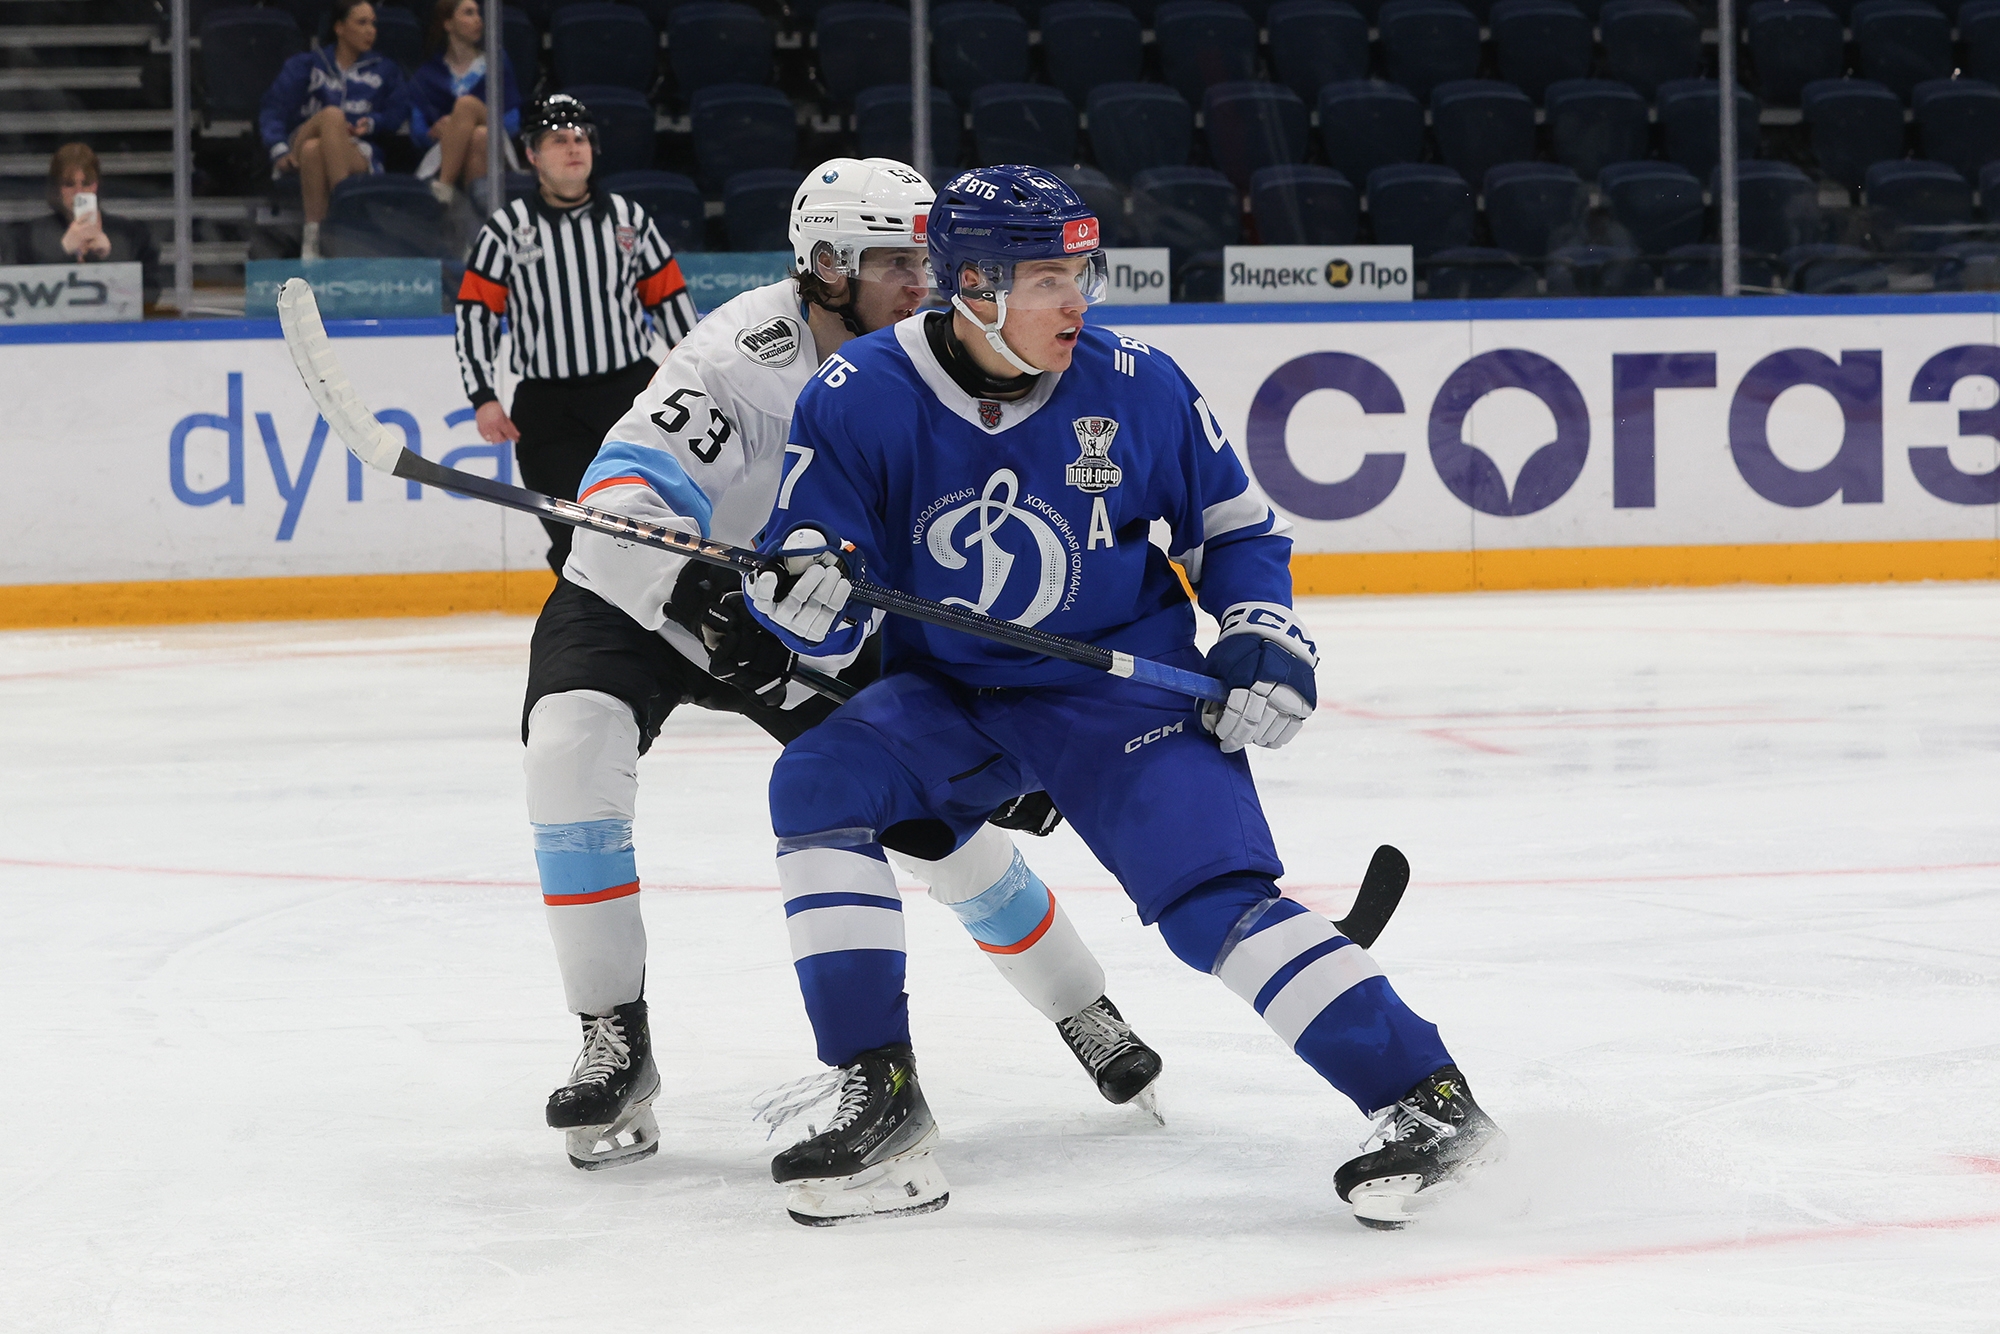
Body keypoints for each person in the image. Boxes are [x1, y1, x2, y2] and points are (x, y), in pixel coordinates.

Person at [743, 165, 1507, 1228]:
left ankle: (1427, 1099)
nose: (1078, 302)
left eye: (1082, 274)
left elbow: (1235, 530)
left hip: (1118, 695)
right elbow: (811, 569)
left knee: (1211, 905)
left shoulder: (1138, 383)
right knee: (817, 780)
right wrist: (799, 591)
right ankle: (882, 1097)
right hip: (951, 695)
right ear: (973, 287)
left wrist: (1261, 635)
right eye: (1048, 281)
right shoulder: (856, 391)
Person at [520, 156, 1163, 1174]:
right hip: (644, 597)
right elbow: (622, 491)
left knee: (932, 823)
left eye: (929, 260)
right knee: (569, 746)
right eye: (896, 264)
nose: (924, 282)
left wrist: (998, 721)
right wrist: (692, 589)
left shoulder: (941, 363)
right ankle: (613, 1036)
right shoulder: (741, 354)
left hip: (799, 619)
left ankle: (1084, 1006)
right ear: (826, 266)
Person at [454, 93, 699, 577]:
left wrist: (694, 378)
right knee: (574, 540)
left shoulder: (629, 219)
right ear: (532, 154)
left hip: (629, 399)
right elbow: (476, 314)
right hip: (548, 412)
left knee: (651, 528)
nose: (574, 147)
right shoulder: (507, 230)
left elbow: (672, 303)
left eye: (582, 138)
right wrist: (483, 395)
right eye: (558, 139)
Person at [258, 0, 410, 258]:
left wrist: (373, 122)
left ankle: (313, 242)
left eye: (373, 24)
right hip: (300, 141)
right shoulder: (306, 64)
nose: (370, 31)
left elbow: (397, 112)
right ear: (339, 27)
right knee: (331, 116)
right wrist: (278, 149)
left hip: (354, 148)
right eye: (361, 23)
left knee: (314, 151)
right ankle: (346, 218)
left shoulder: (385, 69)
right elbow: (273, 108)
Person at [18, 143, 162, 305]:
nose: (78, 192)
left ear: (97, 185)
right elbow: (19, 295)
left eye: (86, 183)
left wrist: (110, 257)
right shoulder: (29, 236)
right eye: (69, 184)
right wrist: (62, 251)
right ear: (57, 188)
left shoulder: (131, 234)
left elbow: (150, 295)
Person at [407, 0, 520, 205]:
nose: (478, 19)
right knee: (479, 136)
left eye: (478, 13)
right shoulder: (429, 72)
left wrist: (461, 122)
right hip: (443, 151)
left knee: (467, 106)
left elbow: (513, 121)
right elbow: (418, 131)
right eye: (469, 13)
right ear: (448, 23)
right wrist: (448, 130)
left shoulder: (496, 62)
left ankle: (444, 186)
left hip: (497, 144)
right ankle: (479, 218)